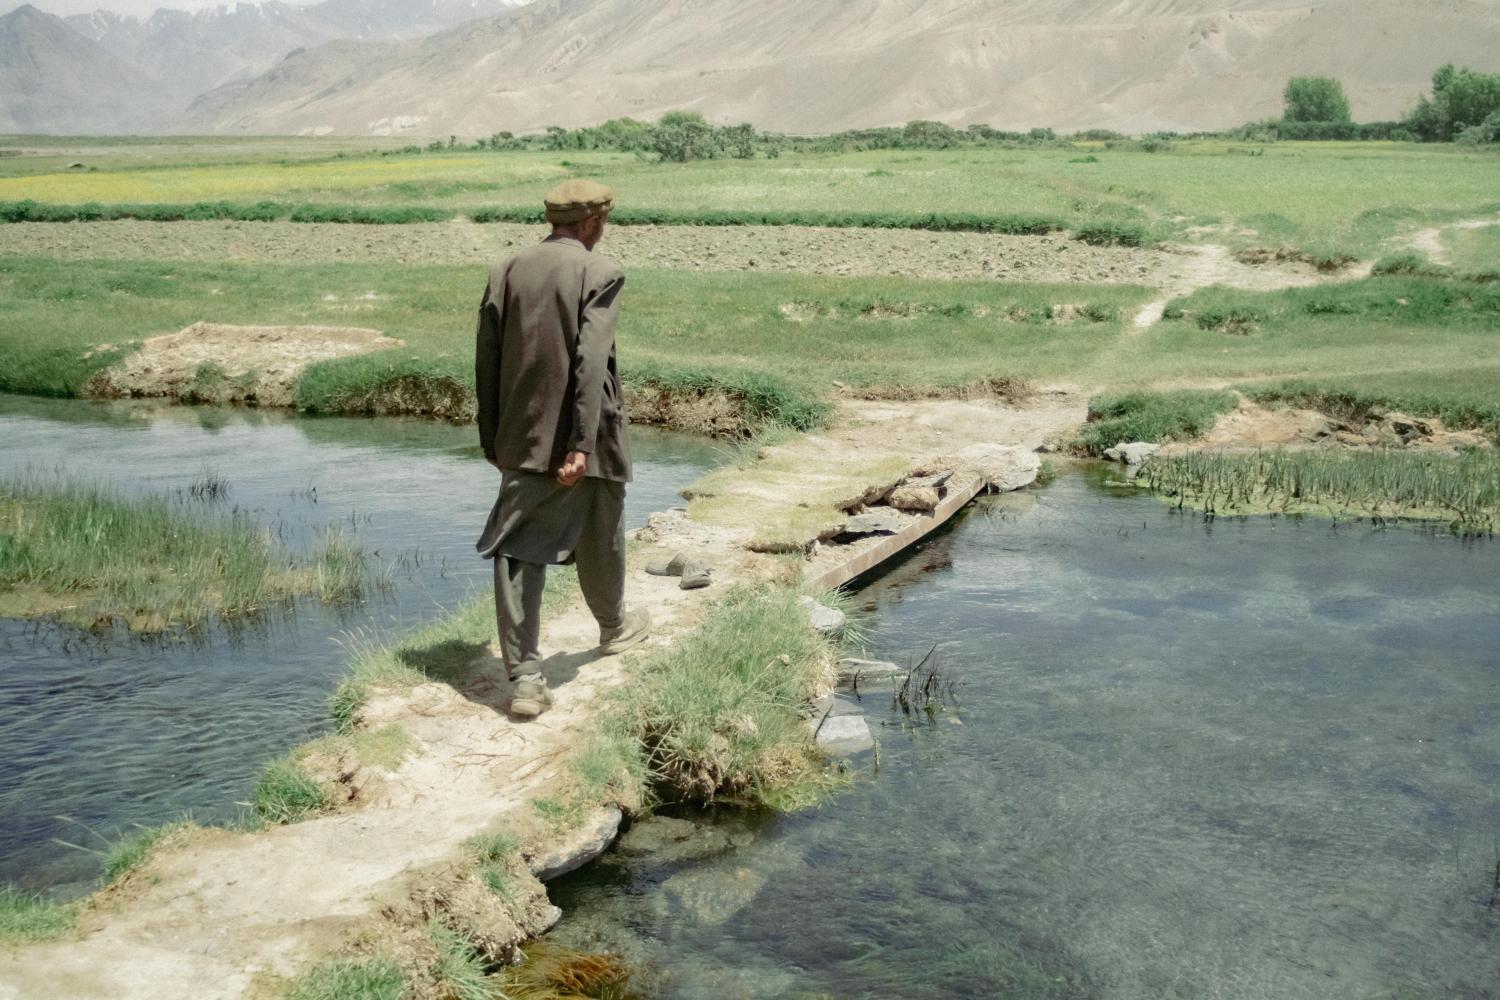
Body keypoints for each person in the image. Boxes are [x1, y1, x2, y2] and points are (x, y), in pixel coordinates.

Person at [474, 178, 651, 719]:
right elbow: (590, 360)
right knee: (602, 527)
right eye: (605, 221)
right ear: (593, 221)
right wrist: (580, 442)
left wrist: (493, 436)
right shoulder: (600, 271)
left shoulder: (506, 269)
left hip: (522, 432)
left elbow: (486, 358)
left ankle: (528, 677)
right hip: (592, 430)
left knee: (519, 549)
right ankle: (612, 628)